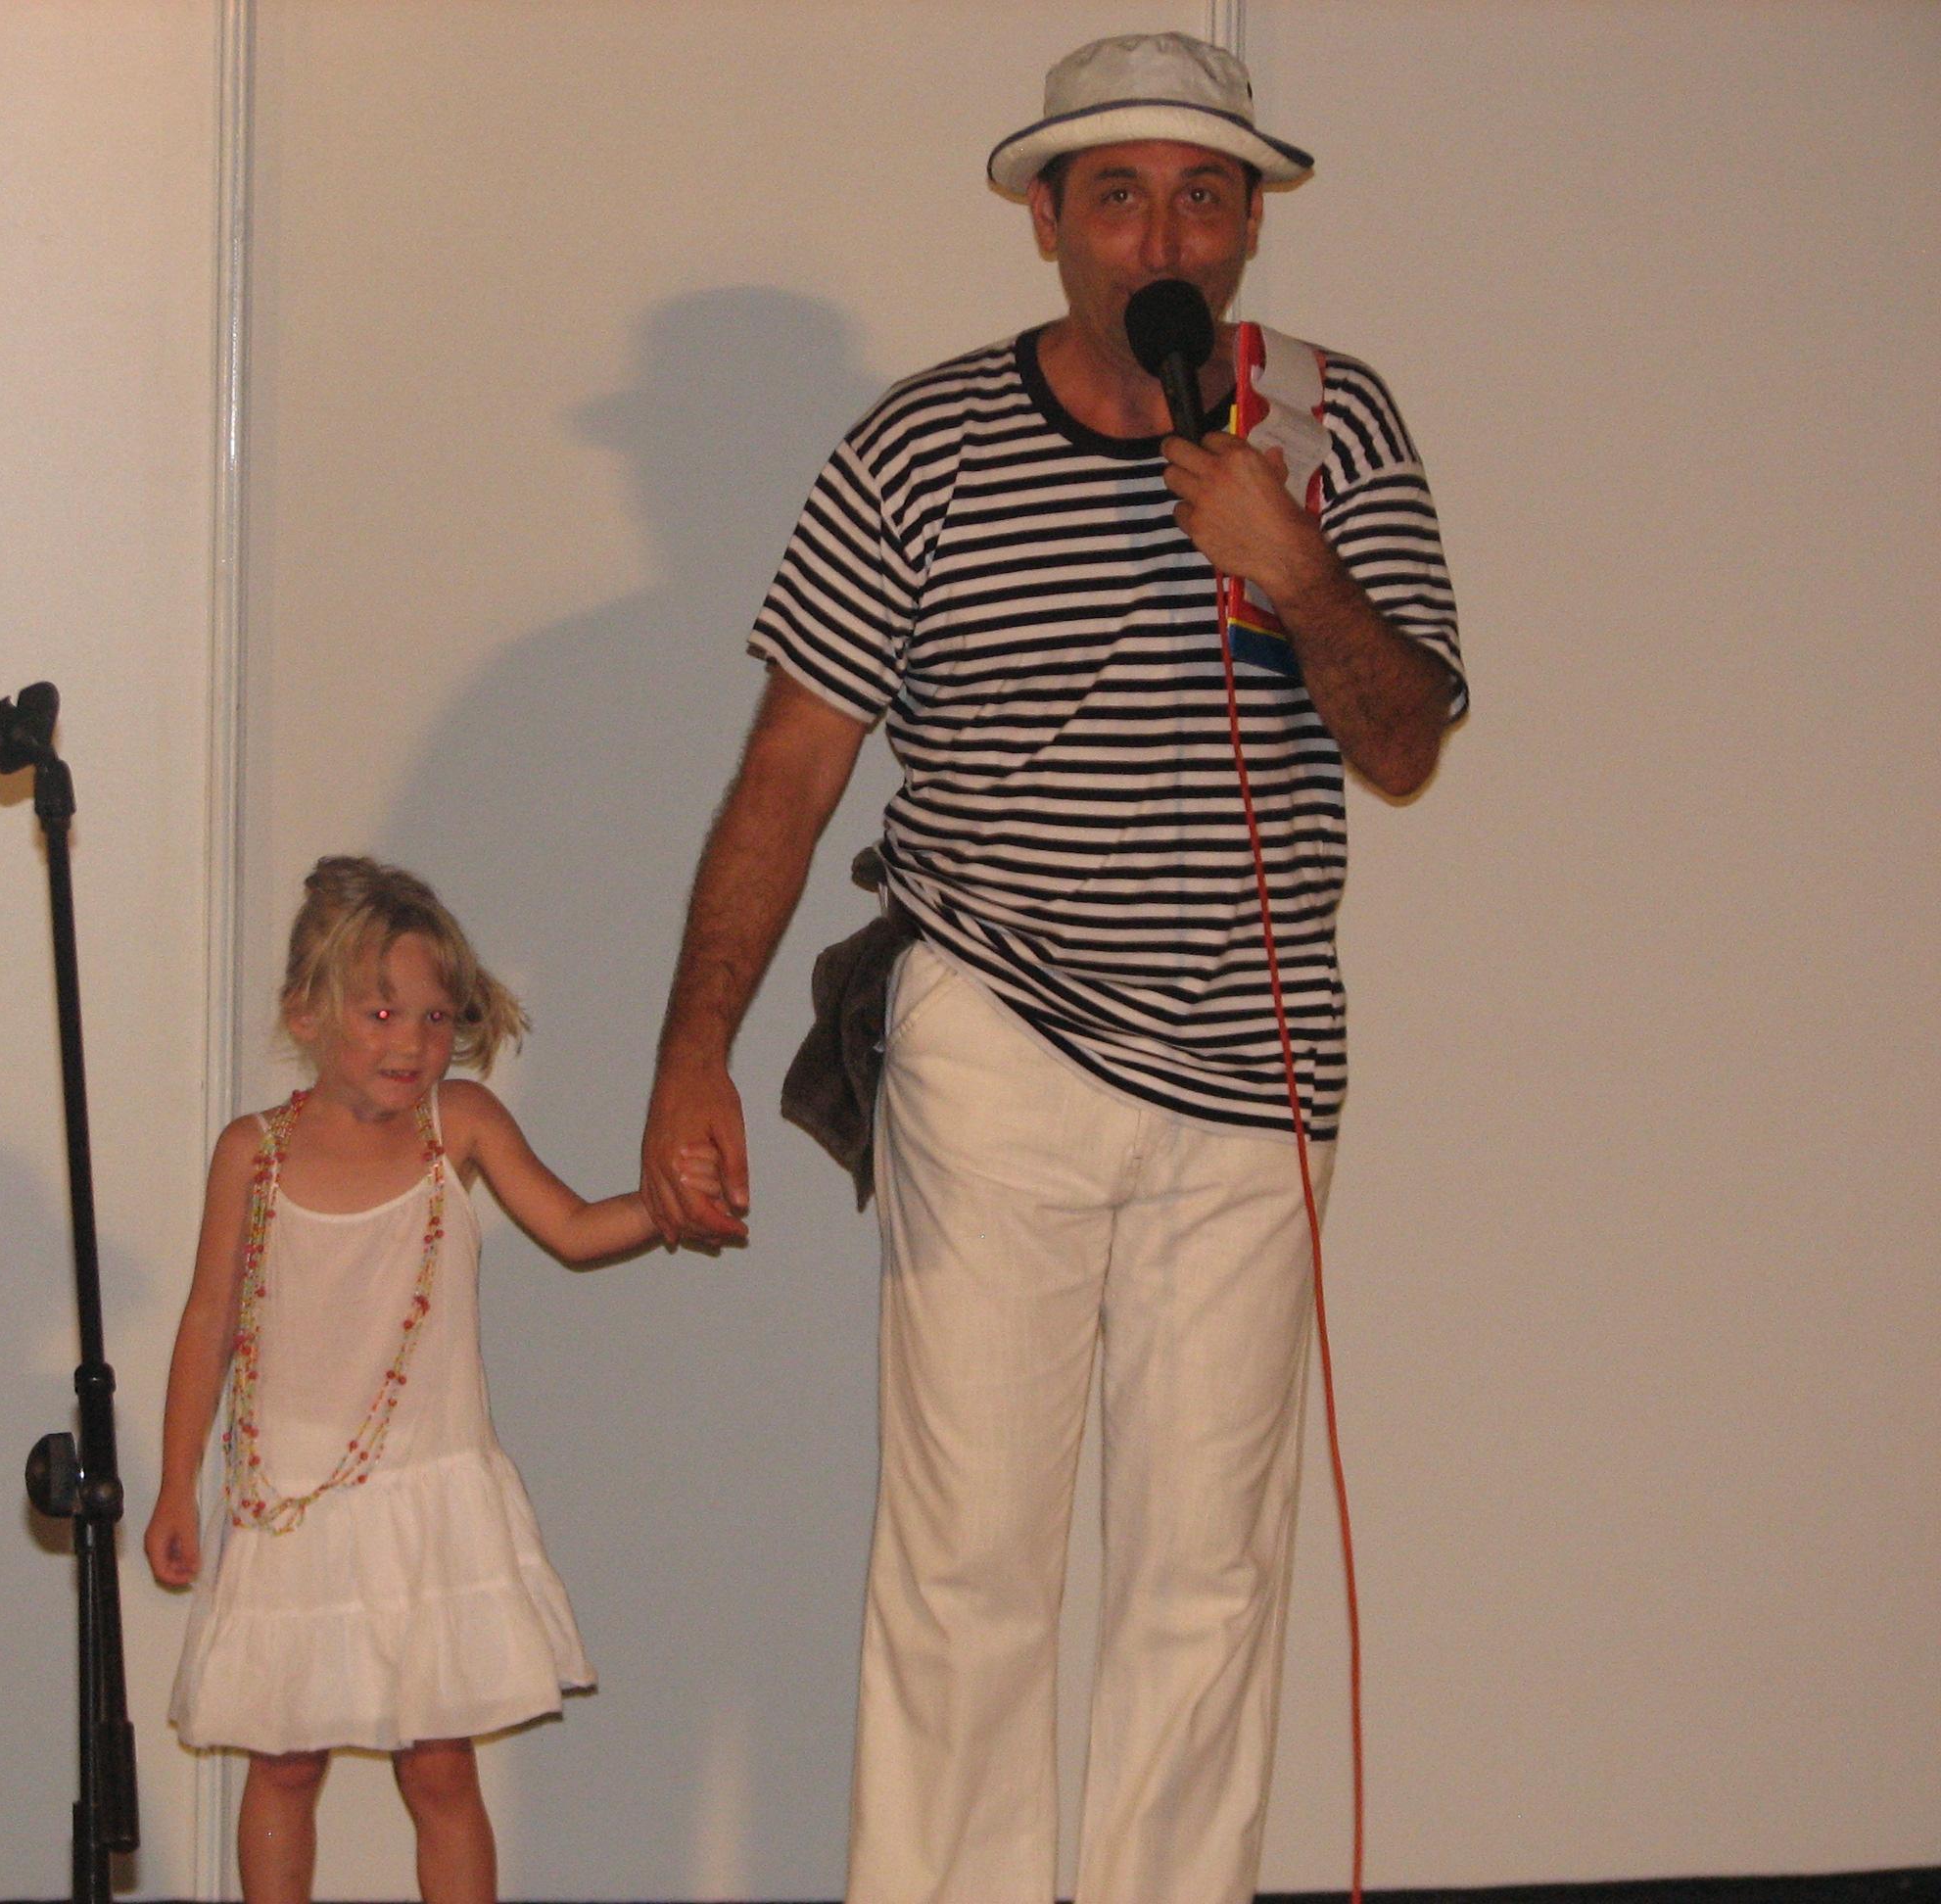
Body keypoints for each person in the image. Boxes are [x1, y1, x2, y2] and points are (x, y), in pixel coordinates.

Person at [639, 30, 1468, 1904]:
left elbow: (1405, 739)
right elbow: (790, 768)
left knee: (1206, 1574)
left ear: (1248, 225)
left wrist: (1291, 564)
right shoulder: (919, 445)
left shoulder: (1333, 423)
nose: (1160, 236)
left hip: (1252, 1070)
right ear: (1044, 221)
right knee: (969, 1568)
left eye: (1200, 195)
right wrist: (695, 1051)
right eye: (1117, 196)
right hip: (995, 1035)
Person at [147, 856, 688, 1904]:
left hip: (428, 1498)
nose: (413, 1043)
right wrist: (177, 1483)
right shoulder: (252, 1154)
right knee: (283, 1761)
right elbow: (207, 1322)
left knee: (440, 1767)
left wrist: (666, 1204)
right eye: (383, 1012)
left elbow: (575, 1228)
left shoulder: (461, 1123)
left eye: (436, 1018)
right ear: (307, 1013)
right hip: (292, 1505)